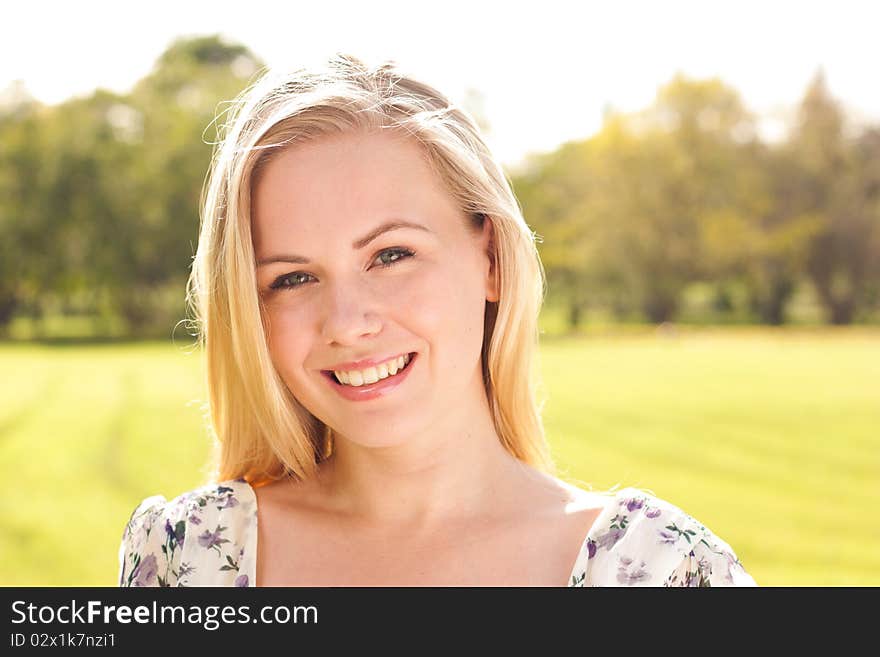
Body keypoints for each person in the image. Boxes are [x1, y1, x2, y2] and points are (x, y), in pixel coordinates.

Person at [118, 54, 756, 587]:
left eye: (390, 255)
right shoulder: (189, 561)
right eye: (292, 278)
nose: (346, 322)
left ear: (490, 259)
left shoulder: (660, 572)